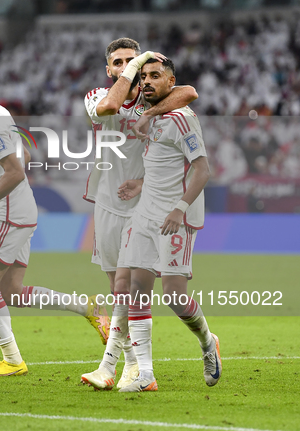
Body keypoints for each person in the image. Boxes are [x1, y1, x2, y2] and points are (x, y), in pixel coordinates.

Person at [0, 56, 107, 378]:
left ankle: (12, 360)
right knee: (10, 291)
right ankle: (86, 307)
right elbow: (22, 154)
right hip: (17, 208)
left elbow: (16, 170)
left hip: (7, 209)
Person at [81, 38, 199, 391]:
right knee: (117, 289)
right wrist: (132, 72)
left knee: (128, 288)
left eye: (131, 61)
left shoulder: (153, 99)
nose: (125, 67)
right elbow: (109, 106)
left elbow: (189, 92)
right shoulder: (96, 96)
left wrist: (149, 111)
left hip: (142, 204)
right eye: (118, 62)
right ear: (109, 69)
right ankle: (131, 366)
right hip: (106, 202)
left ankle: (121, 369)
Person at [117, 57, 221, 392]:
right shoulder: (154, 116)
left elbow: (202, 169)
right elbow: (164, 169)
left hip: (175, 219)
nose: (146, 81)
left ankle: (208, 342)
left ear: (170, 81)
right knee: (137, 289)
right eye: (143, 77)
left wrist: (179, 209)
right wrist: (140, 184)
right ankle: (145, 374)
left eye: (155, 76)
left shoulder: (182, 119)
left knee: (174, 296)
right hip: (145, 214)